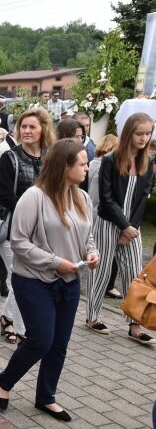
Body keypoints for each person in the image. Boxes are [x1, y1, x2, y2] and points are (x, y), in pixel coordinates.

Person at [0, 139, 99, 423]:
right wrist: (56, 263)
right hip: (34, 280)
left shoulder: (83, 197)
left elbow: (87, 235)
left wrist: (92, 252)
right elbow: (19, 243)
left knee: (59, 343)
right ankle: (5, 381)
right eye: (82, 163)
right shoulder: (34, 197)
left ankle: (46, 397)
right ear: (65, 166)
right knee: (41, 340)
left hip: (70, 281)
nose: (87, 166)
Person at [85, 113, 156, 344]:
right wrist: (123, 226)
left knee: (135, 274)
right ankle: (92, 317)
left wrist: (131, 228)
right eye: (139, 133)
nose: (144, 138)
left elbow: (144, 197)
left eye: (148, 133)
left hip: (132, 229)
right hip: (108, 224)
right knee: (102, 271)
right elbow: (105, 198)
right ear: (128, 134)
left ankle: (134, 324)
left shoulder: (149, 162)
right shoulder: (110, 160)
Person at [0, 107, 54, 344]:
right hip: (13, 228)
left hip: (43, 230)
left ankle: (8, 317)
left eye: (32, 127)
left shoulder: (50, 157)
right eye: (23, 127)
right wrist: (35, 212)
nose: (27, 131)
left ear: (43, 130)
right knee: (18, 278)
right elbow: (6, 195)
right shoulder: (10, 157)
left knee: (24, 277)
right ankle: (22, 331)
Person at [86, 135, 122, 299]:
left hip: (92, 208)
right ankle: (106, 285)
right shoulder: (103, 165)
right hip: (100, 211)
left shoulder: (93, 163)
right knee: (104, 251)